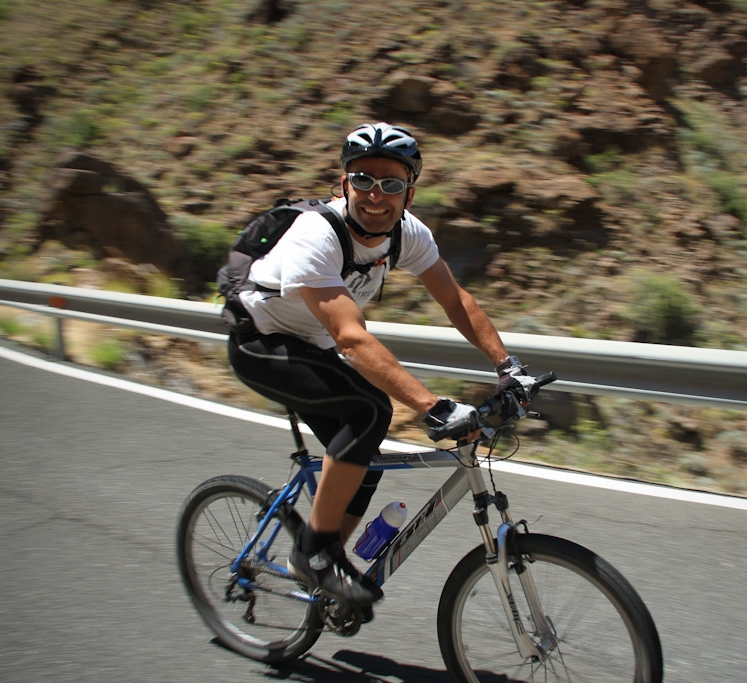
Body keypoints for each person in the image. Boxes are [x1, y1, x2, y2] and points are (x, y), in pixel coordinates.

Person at [227, 122, 536, 608]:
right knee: (369, 410)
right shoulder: (316, 234)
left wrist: (507, 366)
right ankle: (315, 555)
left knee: (364, 458)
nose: (376, 194)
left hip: (311, 344)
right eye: (363, 179)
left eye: (390, 183)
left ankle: (325, 565)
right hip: (261, 341)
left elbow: (456, 301)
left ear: (409, 193)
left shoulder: (407, 234)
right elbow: (350, 338)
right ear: (344, 183)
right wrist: (433, 406)